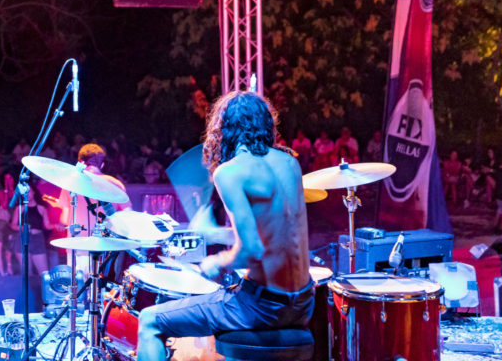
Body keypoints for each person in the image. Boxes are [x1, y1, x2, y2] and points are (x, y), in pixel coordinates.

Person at [137, 91, 313, 361]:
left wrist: (215, 263)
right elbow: (275, 236)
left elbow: (252, 250)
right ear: (266, 124)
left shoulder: (229, 172)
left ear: (224, 130)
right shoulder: (290, 163)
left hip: (262, 308)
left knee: (150, 320)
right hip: (303, 303)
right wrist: (216, 233)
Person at [56, 143, 131, 270]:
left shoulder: (71, 183)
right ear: (102, 165)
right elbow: (128, 215)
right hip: (107, 248)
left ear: (80, 162)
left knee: (78, 281)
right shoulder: (115, 184)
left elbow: (64, 219)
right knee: (104, 282)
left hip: (78, 247)